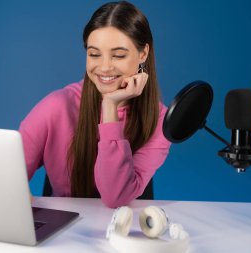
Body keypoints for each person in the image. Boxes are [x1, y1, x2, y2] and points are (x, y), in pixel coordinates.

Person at [19, 1, 171, 208]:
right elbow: (7, 177)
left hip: (124, 233)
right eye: (94, 54)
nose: (105, 67)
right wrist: (14, 192)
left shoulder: (159, 120)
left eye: (118, 55)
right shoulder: (56, 107)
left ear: (143, 53)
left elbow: (115, 197)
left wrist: (109, 106)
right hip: (63, 232)